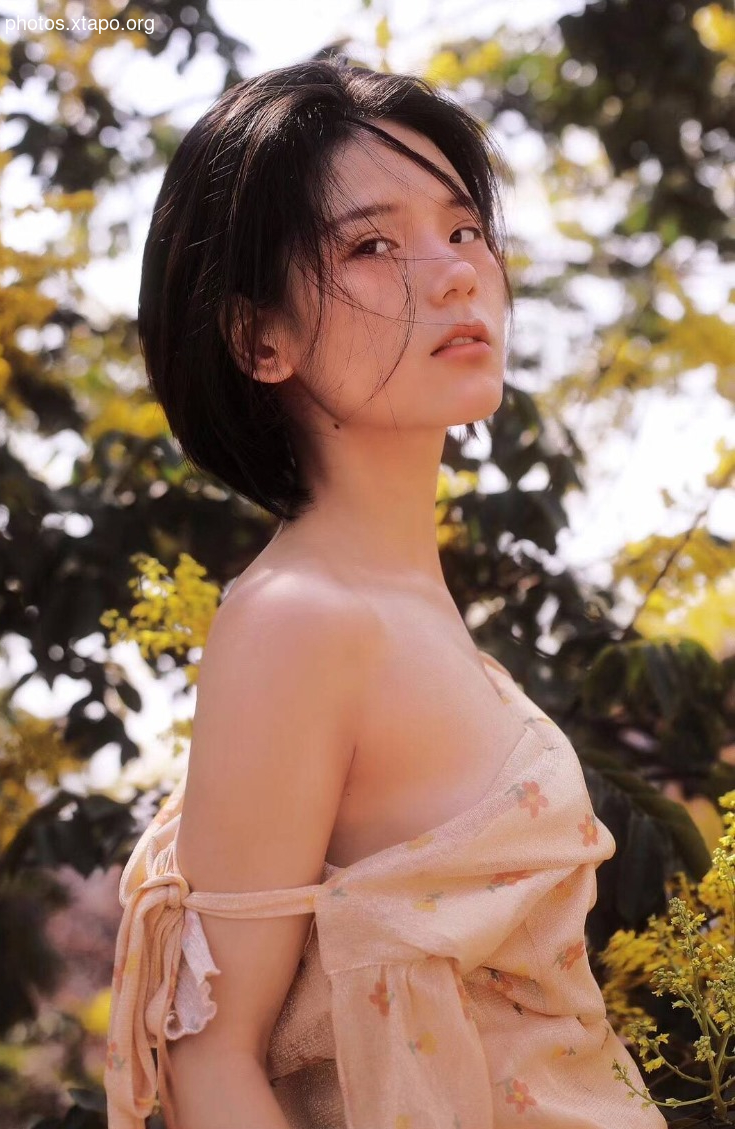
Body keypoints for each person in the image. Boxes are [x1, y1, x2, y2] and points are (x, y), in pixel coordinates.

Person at [104, 57, 667, 1129]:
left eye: (463, 230)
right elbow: (208, 1062)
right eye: (370, 244)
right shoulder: (299, 618)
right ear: (257, 339)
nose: (455, 274)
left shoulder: (412, 609)